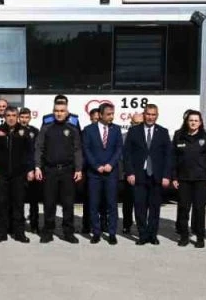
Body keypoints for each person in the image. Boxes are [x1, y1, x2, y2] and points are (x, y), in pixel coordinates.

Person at [124, 104, 172, 246]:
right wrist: (130, 172)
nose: (150, 117)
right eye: (148, 114)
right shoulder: (134, 131)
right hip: (139, 174)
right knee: (140, 207)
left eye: (153, 114)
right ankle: (142, 235)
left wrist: (166, 175)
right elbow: (127, 154)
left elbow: (168, 156)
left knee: (154, 208)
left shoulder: (162, 132)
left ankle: (152, 235)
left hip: (156, 176)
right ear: (144, 114)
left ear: (157, 116)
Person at [34, 100, 83, 243]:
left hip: (68, 171)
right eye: (56, 111)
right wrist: (37, 166)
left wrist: (78, 168)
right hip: (50, 171)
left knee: (68, 203)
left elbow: (77, 150)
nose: (59, 113)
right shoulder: (46, 128)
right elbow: (39, 148)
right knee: (49, 203)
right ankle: (48, 232)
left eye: (62, 111)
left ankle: (68, 232)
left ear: (67, 113)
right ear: (53, 112)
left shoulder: (72, 129)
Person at [172, 109, 206, 248]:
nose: (193, 123)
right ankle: (184, 236)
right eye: (191, 120)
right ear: (186, 121)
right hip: (183, 179)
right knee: (183, 209)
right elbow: (173, 158)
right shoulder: (179, 136)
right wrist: (174, 177)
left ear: (200, 122)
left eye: (196, 121)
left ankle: (200, 237)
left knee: (199, 209)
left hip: (201, 180)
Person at [0, 107, 34, 243]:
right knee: (1, 204)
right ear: (4, 116)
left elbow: (30, 153)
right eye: (8, 115)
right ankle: (1, 233)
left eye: (14, 115)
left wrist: (30, 169)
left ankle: (19, 233)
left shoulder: (24, 132)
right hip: (1, 174)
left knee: (18, 204)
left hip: (19, 175)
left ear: (17, 116)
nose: (11, 118)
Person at [82, 102, 123, 244]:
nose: (111, 117)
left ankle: (112, 233)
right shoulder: (89, 130)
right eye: (108, 114)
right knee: (94, 204)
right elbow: (86, 149)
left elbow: (119, 149)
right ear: (100, 115)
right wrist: (96, 166)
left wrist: (111, 164)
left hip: (111, 173)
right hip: (94, 174)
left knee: (112, 204)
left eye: (112, 114)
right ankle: (96, 232)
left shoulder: (116, 129)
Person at [119, 111, 143, 237]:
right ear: (131, 123)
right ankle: (127, 225)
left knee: (142, 203)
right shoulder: (123, 137)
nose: (137, 125)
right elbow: (121, 157)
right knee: (128, 202)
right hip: (128, 174)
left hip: (143, 174)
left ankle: (141, 226)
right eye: (135, 123)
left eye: (140, 123)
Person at [19, 108, 41, 233]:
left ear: (30, 118)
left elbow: (36, 152)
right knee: (18, 200)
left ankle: (34, 224)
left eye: (26, 117)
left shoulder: (35, 131)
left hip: (31, 170)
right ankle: (18, 224)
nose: (24, 120)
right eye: (22, 117)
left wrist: (32, 169)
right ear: (19, 117)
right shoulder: (15, 130)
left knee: (34, 200)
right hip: (19, 171)